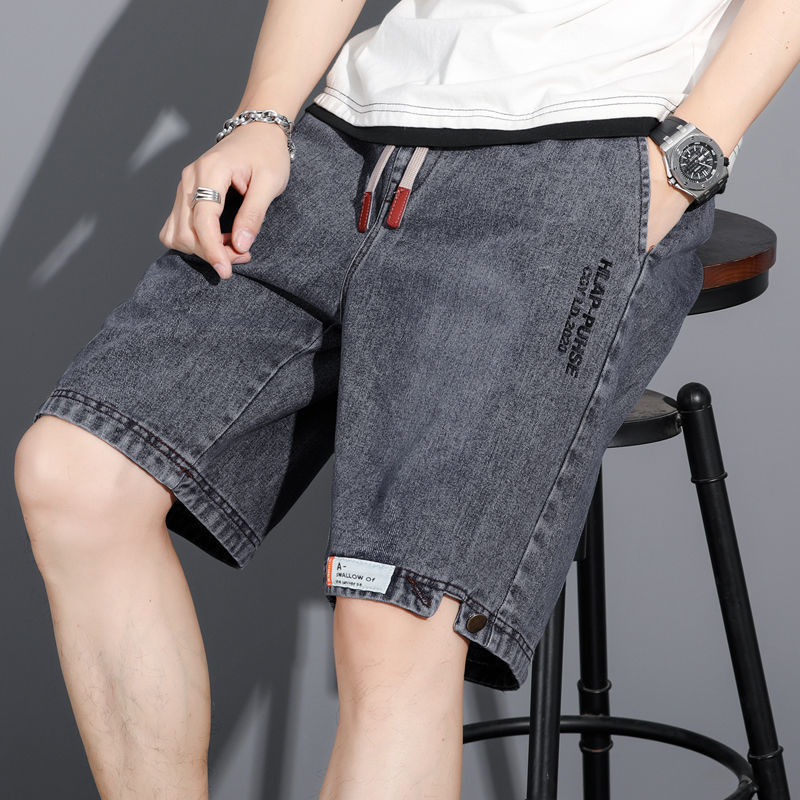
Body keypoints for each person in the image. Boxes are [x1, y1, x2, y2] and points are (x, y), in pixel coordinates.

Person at [12, 0, 799, 797]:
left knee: (398, 620)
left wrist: (681, 164)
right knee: (75, 475)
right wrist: (262, 116)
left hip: (577, 159)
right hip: (352, 135)